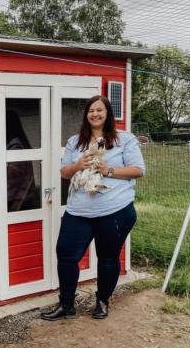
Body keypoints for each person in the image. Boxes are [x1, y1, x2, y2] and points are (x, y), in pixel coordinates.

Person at [41, 95, 145, 321]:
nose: (95, 114)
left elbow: (138, 170)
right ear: (86, 115)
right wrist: (78, 164)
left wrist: (108, 170)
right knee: (66, 255)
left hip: (115, 211)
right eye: (91, 110)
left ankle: (102, 301)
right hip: (79, 212)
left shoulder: (123, 140)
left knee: (108, 258)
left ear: (108, 113)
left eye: (100, 110)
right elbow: (64, 173)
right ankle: (66, 304)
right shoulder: (75, 141)